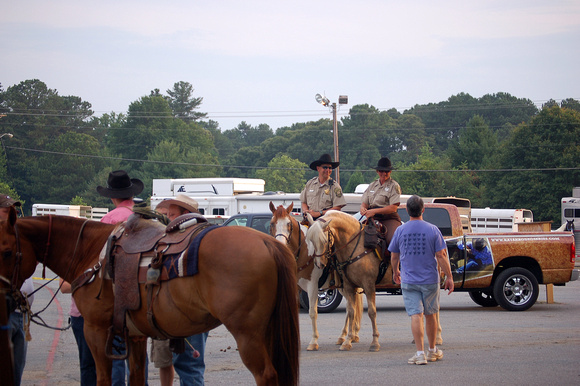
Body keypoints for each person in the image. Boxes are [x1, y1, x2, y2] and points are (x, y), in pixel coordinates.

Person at [389, 195, 454, 365]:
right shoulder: (433, 230)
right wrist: (449, 276)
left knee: (415, 315)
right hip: (430, 280)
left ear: (407, 211)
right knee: (431, 314)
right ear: (423, 210)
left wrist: (395, 271)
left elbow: (394, 255)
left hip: (409, 280)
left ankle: (419, 353)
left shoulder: (400, 231)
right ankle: (432, 351)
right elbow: (441, 255)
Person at [97, 170, 148, 385]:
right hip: (141, 292)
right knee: (139, 354)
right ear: (130, 195)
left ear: (112, 196)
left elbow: (99, 257)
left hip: (115, 293)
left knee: (116, 352)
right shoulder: (143, 217)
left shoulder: (108, 219)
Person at [152, 194, 209, 386]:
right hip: (190, 310)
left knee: (188, 365)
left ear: (185, 215)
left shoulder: (191, 241)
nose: (168, 218)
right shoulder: (197, 238)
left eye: (172, 214)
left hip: (188, 311)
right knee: (188, 364)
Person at [1, 194, 34, 386]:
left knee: (16, 372)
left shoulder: (17, 240)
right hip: (4, 314)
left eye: (14, 211)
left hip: (21, 315)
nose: (12, 214)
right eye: (7, 210)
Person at [60, 279, 97, 386]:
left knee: (108, 363)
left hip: (102, 315)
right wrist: (88, 282)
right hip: (81, 316)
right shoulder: (72, 263)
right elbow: (64, 287)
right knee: (87, 362)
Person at [360, 156, 402, 246]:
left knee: (392, 240)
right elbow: (364, 203)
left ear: (390, 172)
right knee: (356, 235)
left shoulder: (394, 186)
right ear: (377, 171)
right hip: (372, 218)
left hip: (388, 218)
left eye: (386, 171)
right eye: (381, 171)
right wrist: (363, 209)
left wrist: (373, 211)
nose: (384, 173)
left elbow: (393, 208)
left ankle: (393, 260)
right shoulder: (372, 185)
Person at [300, 154, 346, 220]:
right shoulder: (310, 183)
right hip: (309, 220)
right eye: (325, 167)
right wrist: (306, 211)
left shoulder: (334, 186)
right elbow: (303, 202)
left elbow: (337, 208)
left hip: (326, 222)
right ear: (318, 168)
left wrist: (320, 213)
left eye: (330, 168)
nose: (328, 170)